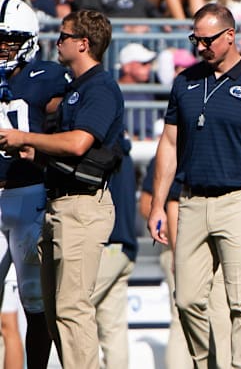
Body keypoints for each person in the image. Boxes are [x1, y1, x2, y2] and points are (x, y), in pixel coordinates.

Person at [147, 3, 241, 368]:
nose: (201, 46)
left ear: (231, 35)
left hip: (240, 202)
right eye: (195, 39)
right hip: (192, 202)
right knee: (187, 300)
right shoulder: (184, 82)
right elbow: (168, 144)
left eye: (208, 39)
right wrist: (157, 204)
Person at [0, 9, 124, 368]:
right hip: (59, 203)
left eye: (65, 36)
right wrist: (35, 152)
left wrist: (24, 137)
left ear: (83, 43)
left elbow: (78, 144)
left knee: (70, 310)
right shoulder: (76, 87)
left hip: (81, 206)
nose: (59, 41)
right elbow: (63, 154)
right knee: (56, 310)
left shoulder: (98, 87)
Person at [0, 0, 69, 369]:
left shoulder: (48, 77)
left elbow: (67, 115)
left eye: (8, 40)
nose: (1, 48)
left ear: (27, 40)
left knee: (35, 300)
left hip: (29, 193)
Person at [139, 156, 232, 369]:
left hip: (214, 245)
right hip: (177, 246)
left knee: (218, 316)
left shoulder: (214, 147)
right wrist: (175, 242)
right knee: (183, 319)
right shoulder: (166, 156)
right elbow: (147, 204)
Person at [90, 132, 137, 369]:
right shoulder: (123, 152)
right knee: (113, 329)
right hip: (124, 247)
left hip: (108, 246)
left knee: (75, 310)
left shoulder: (105, 153)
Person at [117, 42, 160, 140]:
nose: (149, 67)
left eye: (150, 63)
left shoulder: (147, 91)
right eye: (143, 63)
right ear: (126, 67)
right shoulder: (112, 93)